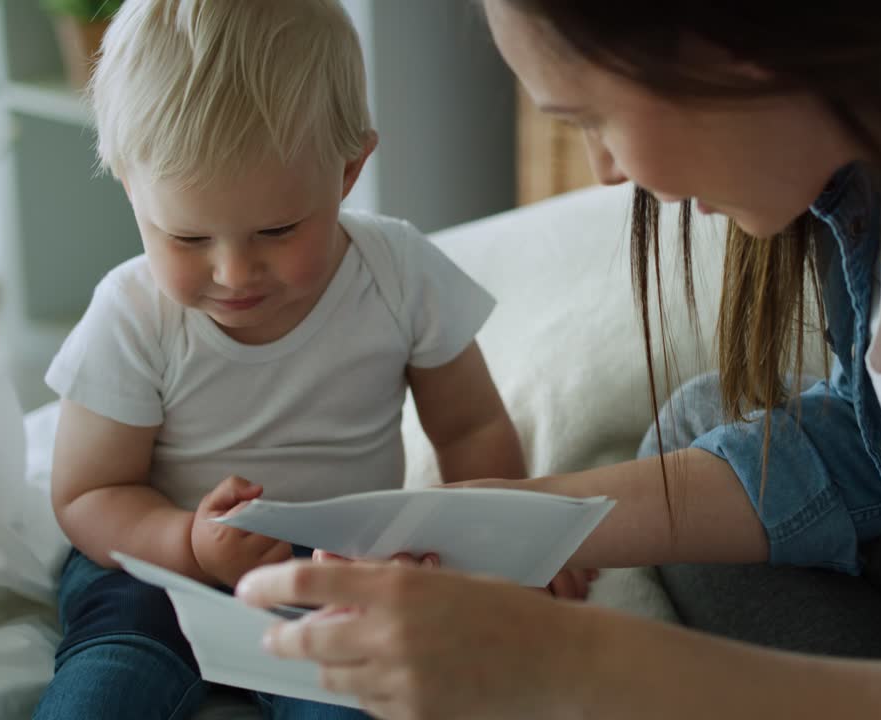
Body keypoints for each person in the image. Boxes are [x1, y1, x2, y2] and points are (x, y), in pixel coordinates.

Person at [237, 1, 881, 717]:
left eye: (593, 118)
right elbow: (879, 445)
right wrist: (514, 515)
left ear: (725, 42)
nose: (605, 173)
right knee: (697, 428)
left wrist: (566, 667)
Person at [31, 0, 594, 717]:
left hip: (339, 567)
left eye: (277, 229)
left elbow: (470, 428)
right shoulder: (133, 315)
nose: (234, 272)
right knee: (103, 689)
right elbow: (88, 494)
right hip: (154, 575)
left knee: (357, 700)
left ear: (349, 169)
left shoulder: (398, 275)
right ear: (128, 183)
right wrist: (189, 544)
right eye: (189, 238)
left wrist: (507, 550)